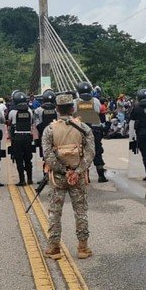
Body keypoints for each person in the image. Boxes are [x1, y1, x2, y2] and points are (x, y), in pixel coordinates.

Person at [42, 93, 96, 260]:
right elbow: (90, 152)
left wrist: (61, 170)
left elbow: (47, 154)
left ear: (57, 109)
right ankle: (83, 247)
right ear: (72, 108)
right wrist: (77, 171)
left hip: (57, 177)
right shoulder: (84, 128)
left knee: (54, 212)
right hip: (77, 176)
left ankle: (54, 248)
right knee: (80, 211)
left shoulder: (50, 129)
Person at [75, 82, 108, 183]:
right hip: (95, 130)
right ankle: (101, 175)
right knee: (97, 151)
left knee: (81, 153)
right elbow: (97, 112)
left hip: (81, 130)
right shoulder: (96, 101)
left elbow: (73, 114)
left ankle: (85, 177)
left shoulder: (75, 102)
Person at [7, 90, 37, 186]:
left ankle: (22, 180)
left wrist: (10, 137)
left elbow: (9, 124)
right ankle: (30, 179)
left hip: (17, 138)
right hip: (28, 138)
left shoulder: (12, 112)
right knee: (28, 159)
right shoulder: (30, 111)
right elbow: (32, 124)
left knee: (19, 159)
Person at [34, 89, 58, 158]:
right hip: (56, 134)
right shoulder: (57, 109)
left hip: (43, 133)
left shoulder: (38, 110)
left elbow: (36, 122)